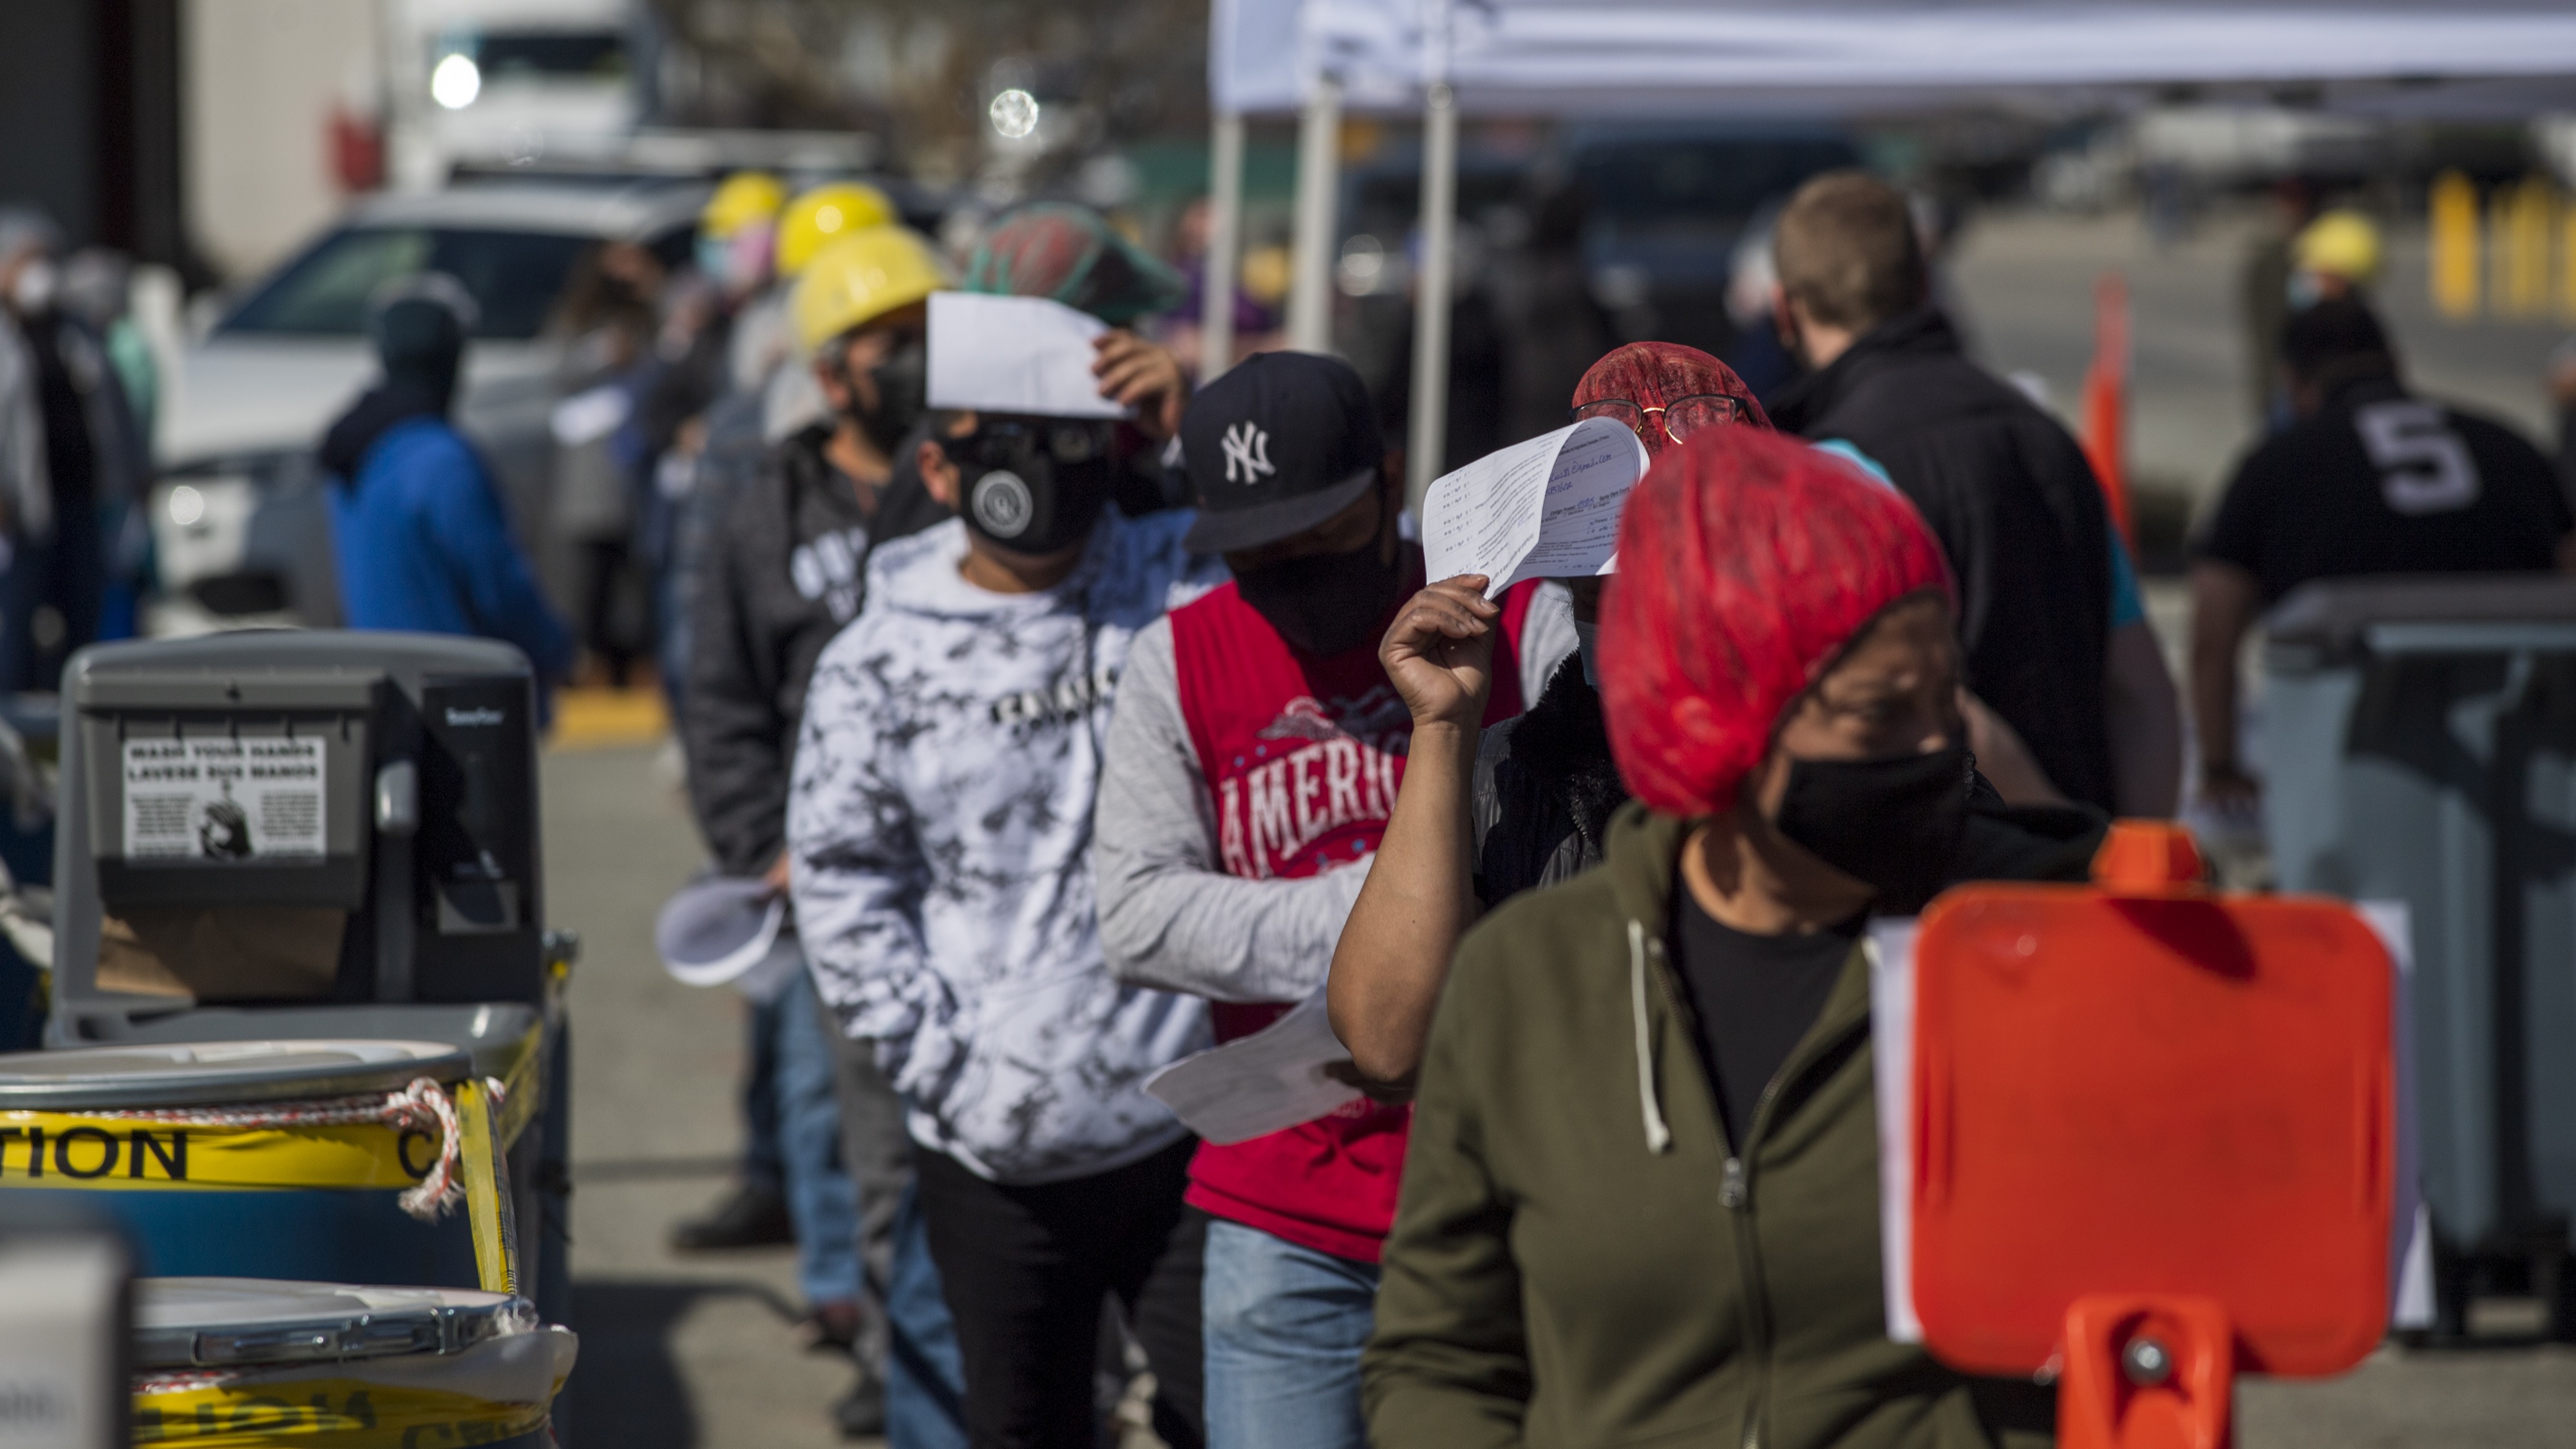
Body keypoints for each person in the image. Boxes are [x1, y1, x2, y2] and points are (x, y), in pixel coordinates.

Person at [1362, 424, 2108, 1449]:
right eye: (1880, 712)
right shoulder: (1529, 979)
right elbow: (1442, 1357)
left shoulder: (2023, 948)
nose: (1936, 748)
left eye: (1945, 701)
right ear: (1725, 714)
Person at [1095, 352, 1566, 1449]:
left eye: (1325, 535)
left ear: (1390, 484)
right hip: (1284, 1212)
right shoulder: (1179, 658)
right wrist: (1397, 919)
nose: (1296, 572)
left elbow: (1570, 864)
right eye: (1260, 551)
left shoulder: (1513, 620)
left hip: (1498, 1193)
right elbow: (1139, 916)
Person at [786, 325, 1213, 1449]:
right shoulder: (875, 663)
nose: (1042, 464)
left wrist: (1195, 428)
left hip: (1193, 1130)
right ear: (939, 468)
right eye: (1005, 442)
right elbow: (840, 886)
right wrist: (956, 1073)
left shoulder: (1176, 581)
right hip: (997, 1159)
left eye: (1071, 439)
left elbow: (1347, 556)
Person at [676, 223, 952, 1440]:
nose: (917, 366)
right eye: (893, 345)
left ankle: (948, 1360)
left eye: (929, 340)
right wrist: (760, 851)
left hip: (960, 871)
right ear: (833, 370)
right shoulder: (762, 507)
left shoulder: (974, 481)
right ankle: (892, 1356)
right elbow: (722, 701)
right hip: (819, 878)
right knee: (846, 1133)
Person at [1765, 171, 2182, 819]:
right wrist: (2128, 862)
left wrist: (2061, 844)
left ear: (1784, 312)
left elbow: (1926, 702)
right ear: (1925, 286)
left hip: (1943, 873)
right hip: (2084, 870)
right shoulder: (2047, 438)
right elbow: (2142, 689)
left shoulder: (1833, 472)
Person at [2192, 298, 2576, 817]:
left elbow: (2212, 636)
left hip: (2349, 774)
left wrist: (2221, 769)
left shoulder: (2276, 467)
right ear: (2395, 361)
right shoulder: (2512, 449)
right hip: (2525, 772)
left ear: (2294, 382)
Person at [319, 278, 573, 706]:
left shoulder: (353, 450)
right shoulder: (440, 458)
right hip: (456, 697)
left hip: (384, 689)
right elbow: (498, 583)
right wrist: (557, 648)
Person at [0, 209, 142, 692]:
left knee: (85, 613)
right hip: (21, 513)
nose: (39, 272)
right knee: (18, 620)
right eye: (25, 260)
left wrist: (135, 477)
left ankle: (78, 709)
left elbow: (116, 412)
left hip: (82, 499)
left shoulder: (77, 333)